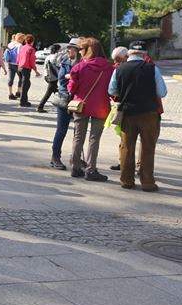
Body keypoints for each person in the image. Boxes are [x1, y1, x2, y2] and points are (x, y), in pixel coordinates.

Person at [110, 43, 166, 191]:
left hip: (128, 113)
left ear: (129, 53)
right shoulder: (153, 69)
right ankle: (147, 182)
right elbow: (162, 92)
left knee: (127, 147)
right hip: (149, 113)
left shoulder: (119, 69)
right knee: (148, 147)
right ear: (144, 54)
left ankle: (126, 180)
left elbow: (112, 90)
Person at [66, 38, 112, 182]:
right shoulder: (109, 67)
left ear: (86, 51)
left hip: (81, 105)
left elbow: (72, 88)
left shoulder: (79, 67)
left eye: (81, 49)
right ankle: (91, 169)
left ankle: (75, 166)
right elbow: (112, 89)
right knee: (94, 139)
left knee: (78, 136)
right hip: (101, 106)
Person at [50, 38, 81, 171]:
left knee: (79, 132)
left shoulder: (83, 63)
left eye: (72, 48)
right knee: (61, 130)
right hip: (65, 99)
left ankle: (76, 157)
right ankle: (55, 157)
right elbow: (62, 82)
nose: (68, 50)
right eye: (68, 48)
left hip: (79, 101)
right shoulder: (65, 62)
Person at [36, 43, 62, 112]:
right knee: (50, 93)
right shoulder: (55, 57)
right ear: (57, 50)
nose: (60, 51)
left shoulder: (48, 56)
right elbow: (58, 67)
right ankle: (40, 107)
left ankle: (60, 107)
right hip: (53, 77)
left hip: (47, 76)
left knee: (56, 91)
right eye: (59, 49)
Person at [16, 34, 39, 107]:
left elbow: (18, 57)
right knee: (25, 85)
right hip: (26, 68)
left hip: (20, 67)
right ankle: (23, 101)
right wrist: (36, 71)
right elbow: (32, 61)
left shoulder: (22, 47)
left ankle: (24, 100)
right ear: (32, 41)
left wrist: (18, 64)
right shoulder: (31, 49)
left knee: (26, 84)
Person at [4, 34, 21, 100]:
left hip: (10, 63)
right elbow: (19, 55)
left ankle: (10, 94)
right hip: (17, 64)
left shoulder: (10, 44)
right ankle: (18, 92)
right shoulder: (19, 45)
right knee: (21, 78)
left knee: (11, 79)